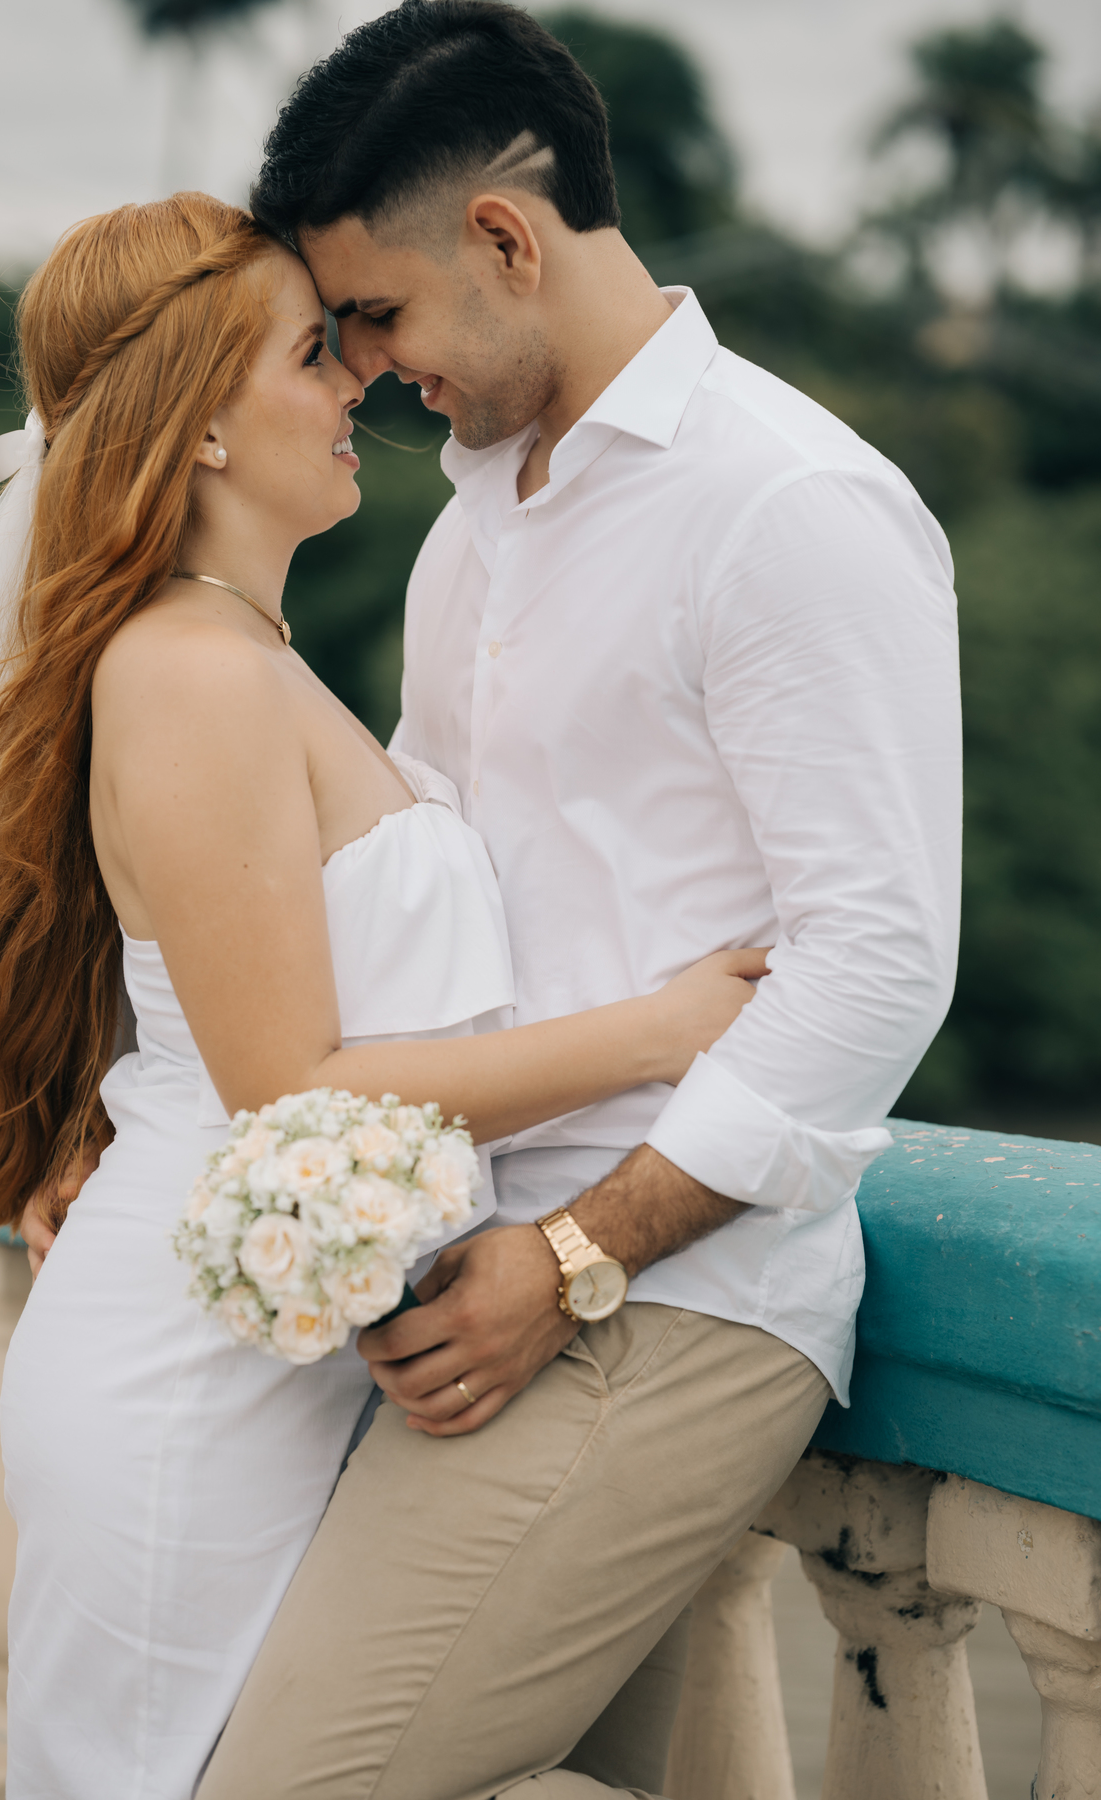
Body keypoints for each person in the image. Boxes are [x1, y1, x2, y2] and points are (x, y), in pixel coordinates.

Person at [0, 192, 764, 1799]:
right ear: (203, 428)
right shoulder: (189, 670)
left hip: (258, 1344)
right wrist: (669, 1029)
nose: (356, 376)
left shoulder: (240, 656)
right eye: (313, 352)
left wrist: (98, 1096)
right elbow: (295, 1082)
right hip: (189, 1376)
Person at [190, 4, 962, 1798]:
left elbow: (877, 959)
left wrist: (580, 1253)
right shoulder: (476, 533)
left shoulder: (792, 507)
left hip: (666, 1296)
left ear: (507, 241)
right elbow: (399, 888)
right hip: (456, 1287)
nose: (364, 370)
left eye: (370, 312)